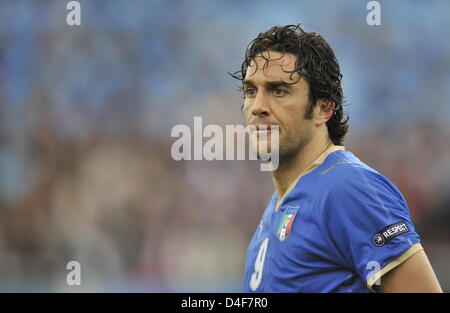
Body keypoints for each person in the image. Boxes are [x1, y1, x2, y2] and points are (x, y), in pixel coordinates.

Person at [232, 24, 442, 292]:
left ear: (324, 108)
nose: (258, 107)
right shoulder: (279, 204)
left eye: (278, 91)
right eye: (251, 91)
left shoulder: (348, 188)